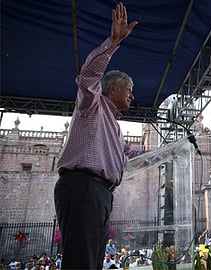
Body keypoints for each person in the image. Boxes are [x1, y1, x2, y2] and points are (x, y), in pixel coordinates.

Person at [54, 3, 139, 269]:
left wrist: (172, 151)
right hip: (84, 188)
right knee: (82, 263)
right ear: (112, 88)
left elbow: (132, 154)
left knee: (90, 263)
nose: (132, 96)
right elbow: (88, 76)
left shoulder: (112, 125)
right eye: (128, 89)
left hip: (99, 194)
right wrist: (113, 42)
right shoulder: (92, 104)